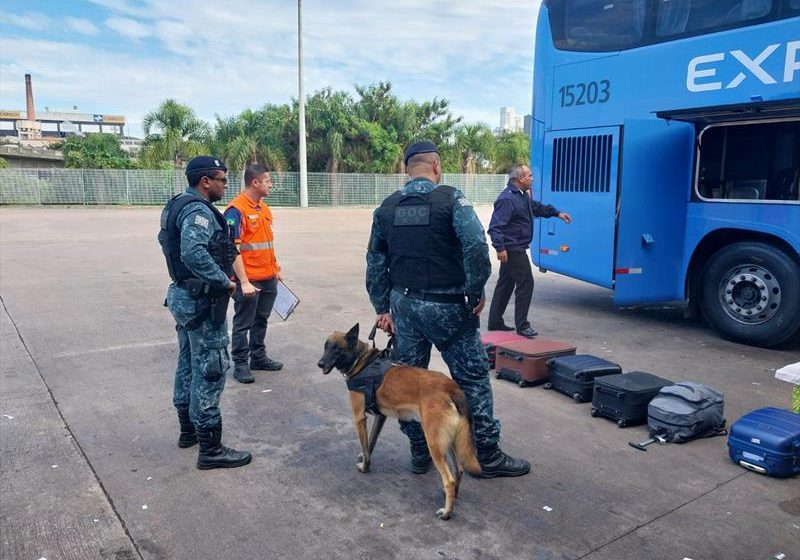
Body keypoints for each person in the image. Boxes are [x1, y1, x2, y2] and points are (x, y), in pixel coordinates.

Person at [366, 140, 530, 478]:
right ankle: (486, 454)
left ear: (405, 169)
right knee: (472, 380)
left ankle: (421, 451)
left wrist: (383, 307)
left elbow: (374, 262)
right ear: (437, 167)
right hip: (448, 308)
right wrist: (474, 292)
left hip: (405, 308)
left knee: (409, 382)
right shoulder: (451, 199)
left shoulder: (386, 208)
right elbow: (474, 246)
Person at [158, 155, 252, 470]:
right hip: (201, 300)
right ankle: (210, 449)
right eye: (222, 180)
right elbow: (192, 250)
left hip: (183, 295)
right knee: (210, 369)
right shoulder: (197, 210)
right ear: (205, 181)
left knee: (187, 362)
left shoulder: (176, 204)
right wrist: (222, 279)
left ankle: (189, 431)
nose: (226, 185)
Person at [487, 164, 572, 338]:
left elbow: (537, 208)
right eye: (529, 176)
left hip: (515, 247)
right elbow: (495, 227)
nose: (532, 178)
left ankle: (495, 321)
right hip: (513, 249)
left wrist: (557, 213)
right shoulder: (507, 199)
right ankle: (522, 326)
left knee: (505, 284)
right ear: (520, 179)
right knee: (526, 283)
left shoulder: (521, 196)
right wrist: (500, 248)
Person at [224, 164, 284, 384]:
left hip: (268, 277)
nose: (271, 184)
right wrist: (243, 281)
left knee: (261, 319)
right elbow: (232, 248)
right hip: (248, 280)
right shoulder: (236, 210)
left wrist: (275, 269)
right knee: (243, 323)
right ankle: (240, 363)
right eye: (267, 180)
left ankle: (258, 357)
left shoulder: (264, 209)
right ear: (255, 182)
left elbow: (267, 244)